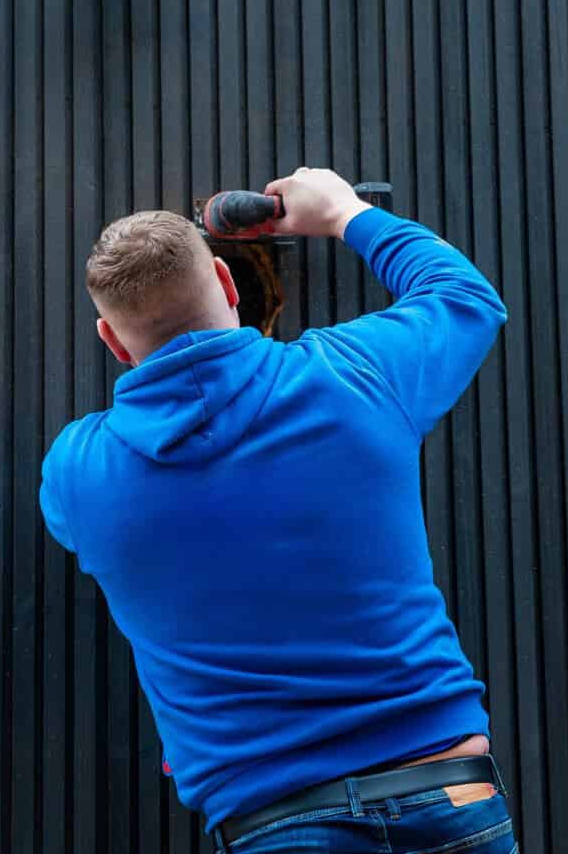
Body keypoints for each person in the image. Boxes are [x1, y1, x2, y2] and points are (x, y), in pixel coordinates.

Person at [40, 167, 513, 853]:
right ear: (230, 286)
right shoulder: (355, 374)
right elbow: (464, 295)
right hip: (448, 794)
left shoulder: (78, 474)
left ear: (112, 343)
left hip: (276, 827)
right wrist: (344, 213)